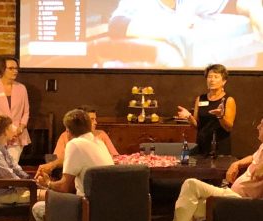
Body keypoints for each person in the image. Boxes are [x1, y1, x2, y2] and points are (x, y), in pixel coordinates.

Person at [108, 0, 263, 68]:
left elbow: (233, 3)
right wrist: (171, 31)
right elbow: (116, 25)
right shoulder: (139, 2)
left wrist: (255, 10)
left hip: (192, 52)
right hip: (163, 60)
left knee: (247, 26)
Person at [173, 118, 263, 221]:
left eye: (262, 125)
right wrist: (236, 164)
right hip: (231, 194)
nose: (258, 127)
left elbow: (259, 173)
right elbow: (253, 157)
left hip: (243, 202)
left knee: (190, 193)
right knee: (191, 200)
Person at [32, 109, 114, 221]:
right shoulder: (99, 143)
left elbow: (63, 187)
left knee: (38, 208)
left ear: (68, 130)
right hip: (106, 207)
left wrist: (47, 183)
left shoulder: (74, 144)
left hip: (86, 206)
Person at [36, 105, 119, 176]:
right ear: (83, 122)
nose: (96, 122)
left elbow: (116, 157)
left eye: (95, 119)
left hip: (90, 179)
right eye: (92, 119)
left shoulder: (99, 137)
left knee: (43, 193)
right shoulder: (66, 136)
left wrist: (48, 183)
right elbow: (56, 157)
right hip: (78, 175)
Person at [177, 64, 236, 155]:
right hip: (202, 146)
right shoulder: (200, 99)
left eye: (216, 77)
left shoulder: (228, 100)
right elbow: (196, 125)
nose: (212, 80)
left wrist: (220, 116)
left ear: (224, 81)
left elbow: (229, 127)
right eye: (209, 77)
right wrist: (189, 117)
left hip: (220, 147)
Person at [0, 57, 31, 164]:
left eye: (16, 68)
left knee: (11, 167)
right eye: (11, 68)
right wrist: (5, 131)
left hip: (17, 135)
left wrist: (20, 128)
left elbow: (26, 112)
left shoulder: (22, 88)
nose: (15, 71)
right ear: (2, 69)